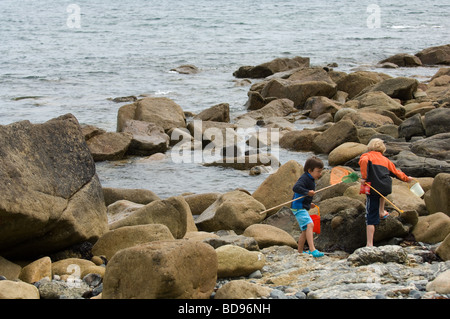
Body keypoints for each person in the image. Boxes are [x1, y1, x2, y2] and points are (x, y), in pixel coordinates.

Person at [358, 138, 413, 247]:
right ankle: (382, 211)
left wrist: (364, 177)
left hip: (373, 187)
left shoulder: (366, 156)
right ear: (382, 150)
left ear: (369, 147)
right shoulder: (385, 160)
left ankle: (369, 243)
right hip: (385, 186)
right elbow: (396, 172)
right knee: (382, 195)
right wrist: (407, 179)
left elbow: (363, 162)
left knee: (370, 216)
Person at [291, 156, 324, 257]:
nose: (320, 174)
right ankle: (312, 249)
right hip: (298, 207)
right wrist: (307, 192)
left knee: (305, 230)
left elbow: (304, 196)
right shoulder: (304, 178)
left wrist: (309, 204)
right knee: (310, 225)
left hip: (301, 206)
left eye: (321, 171)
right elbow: (296, 188)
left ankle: (300, 252)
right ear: (310, 170)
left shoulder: (311, 179)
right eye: (318, 171)